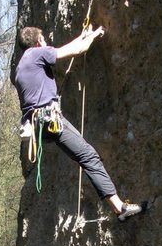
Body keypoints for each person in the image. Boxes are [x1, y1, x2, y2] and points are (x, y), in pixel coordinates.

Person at [14, 25, 145, 222]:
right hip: (49, 120)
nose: (46, 42)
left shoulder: (22, 65)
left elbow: (68, 47)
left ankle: (118, 207)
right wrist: (91, 37)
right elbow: (74, 51)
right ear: (38, 42)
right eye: (44, 38)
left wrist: (82, 36)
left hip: (38, 126)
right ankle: (120, 208)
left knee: (83, 157)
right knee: (89, 156)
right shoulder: (37, 54)